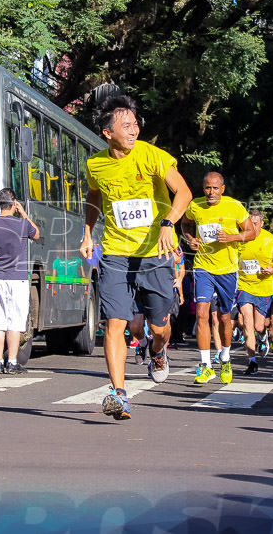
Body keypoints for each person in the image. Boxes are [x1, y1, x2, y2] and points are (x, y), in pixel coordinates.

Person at [80, 94, 191, 420]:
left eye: (135, 123)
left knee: (160, 329)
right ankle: (120, 394)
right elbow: (94, 195)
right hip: (115, 254)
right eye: (126, 125)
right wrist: (87, 232)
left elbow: (183, 192)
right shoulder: (95, 164)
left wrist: (168, 222)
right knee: (115, 323)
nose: (134, 129)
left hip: (155, 256)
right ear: (107, 132)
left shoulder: (151, 155)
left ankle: (157, 352)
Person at [182, 172, 257, 385]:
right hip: (203, 267)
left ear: (222, 189)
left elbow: (251, 232)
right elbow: (185, 225)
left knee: (225, 318)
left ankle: (225, 357)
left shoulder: (234, 207)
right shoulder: (195, 206)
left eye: (215, 188)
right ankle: (205, 365)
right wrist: (190, 239)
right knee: (202, 313)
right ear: (203, 188)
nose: (211, 192)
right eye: (207, 188)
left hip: (227, 269)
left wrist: (232, 237)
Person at [0, 188, 41, 373]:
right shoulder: (22, 224)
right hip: (18, 279)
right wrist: (23, 213)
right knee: (15, 321)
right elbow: (36, 234)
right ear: (14, 203)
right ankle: (12, 362)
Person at [236, 209, 273, 375]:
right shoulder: (240, 237)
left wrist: (272, 269)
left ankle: (263, 336)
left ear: (262, 224)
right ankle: (252, 361)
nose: (252, 226)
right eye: (250, 223)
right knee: (247, 322)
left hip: (264, 287)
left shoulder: (269, 239)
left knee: (258, 325)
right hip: (244, 285)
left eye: (256, 223)